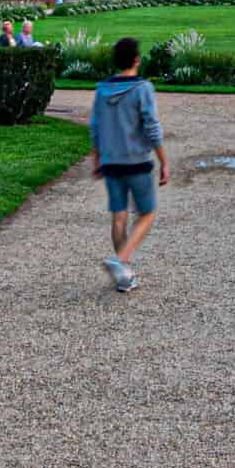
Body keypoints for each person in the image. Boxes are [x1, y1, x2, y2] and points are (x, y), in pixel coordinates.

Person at [89, 37, 169, 291]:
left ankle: (124, 277)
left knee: (119, 215)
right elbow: (152, 127)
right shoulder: (143, 89)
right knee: (147, 213)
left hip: (112, 162)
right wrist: (164, 160)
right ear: (137, 59)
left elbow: (95, 127)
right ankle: (120, 260)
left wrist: (97, 159)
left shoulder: (102, 89)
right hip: (137, 161)